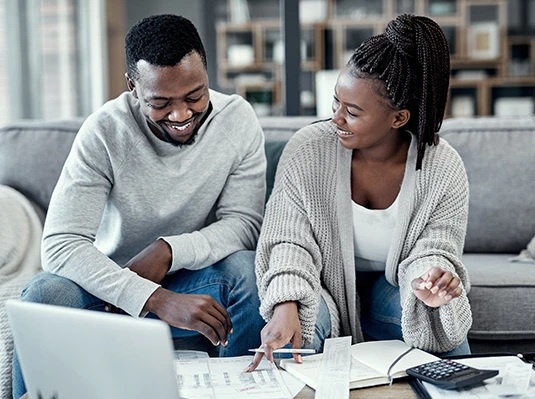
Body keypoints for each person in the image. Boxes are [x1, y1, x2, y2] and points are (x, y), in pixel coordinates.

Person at [13, 14, 267, 398]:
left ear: (207, 74)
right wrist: (151, 297)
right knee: (43, 296)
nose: (181, 115)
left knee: (246, 272)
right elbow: (61, 243)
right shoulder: (104, 132)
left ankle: (247, 390)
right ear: (133, 87)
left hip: (191, 278)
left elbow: (245, 224)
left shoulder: (238, 121)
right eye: (160, 102)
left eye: (195, 96)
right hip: (109, 287)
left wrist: (168, 251)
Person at [246, 13, 472, 371]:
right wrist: (285, 302)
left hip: (394, 289)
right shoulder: (308, 149)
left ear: (398, 118)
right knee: (298, 326)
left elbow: (436, 247)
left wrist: (432, 281)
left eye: (352, 112)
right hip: (318, 287)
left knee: (438, 319)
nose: (335, 118)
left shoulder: (441, 167)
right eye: (336, 102)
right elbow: (287, 239)